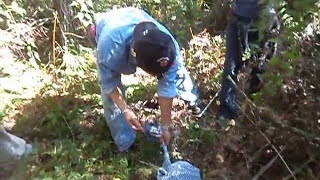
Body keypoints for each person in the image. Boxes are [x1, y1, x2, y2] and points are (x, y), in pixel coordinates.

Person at [90, 7, 200, 152]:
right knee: (110, 98)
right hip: (111, 28)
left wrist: (165, 127)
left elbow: (167, 86)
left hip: (134, 18)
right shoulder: (109, 48)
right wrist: (126, 110)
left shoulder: (167, 45)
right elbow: (109, 84)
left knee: (177, 72)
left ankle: (192, 101)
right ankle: (125, 143)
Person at [219, 0, 279, 120]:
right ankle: (227, 111)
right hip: (238, 18)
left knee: (261, 66)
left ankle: (254, 109)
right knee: (231, 66)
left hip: (263, 21)